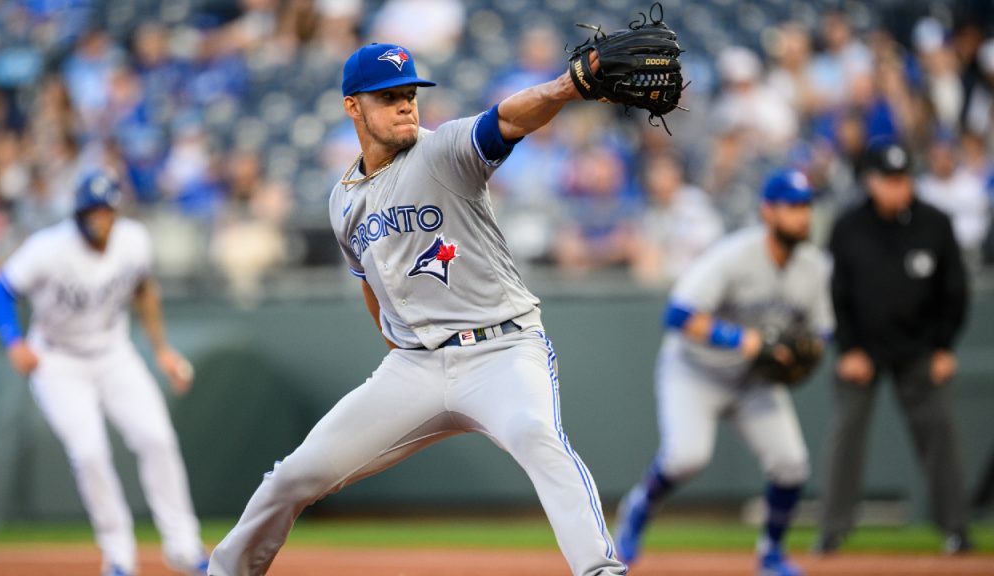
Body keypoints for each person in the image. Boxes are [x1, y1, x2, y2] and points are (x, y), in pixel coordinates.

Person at [208, 43, 627, 575]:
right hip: (416, 364)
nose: (406, 106)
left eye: (409, 94)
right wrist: (399, 361)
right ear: (353, 107)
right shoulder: (343, 200)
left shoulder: (444, 151)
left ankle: (601, 569)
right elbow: (370, 281)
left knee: (535, 433)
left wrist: (567, 87)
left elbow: (507, 119)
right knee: (294, 475)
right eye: (388, 97)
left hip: (502, 349)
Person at [0, 172, 208, 576]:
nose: (100, 218)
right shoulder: (48, 248)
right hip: (58, 362)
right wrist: (13, 341)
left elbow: (144, 290)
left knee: (157, 438)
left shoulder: (134, 240)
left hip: (113, 352)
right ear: (78, 213)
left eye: (106, 210)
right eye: (92, 210)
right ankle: (119, 555)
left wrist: (161, 350)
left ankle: (183, 546)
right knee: (89, 453)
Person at [614, 169, 833, 576]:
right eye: (793, 207)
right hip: (695, 371)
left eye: (806, 207)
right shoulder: (734, 255)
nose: (803, 216)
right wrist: (741, 339)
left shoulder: (815, 267)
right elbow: (677, 314)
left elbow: (822, 332)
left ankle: (771, 554)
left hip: (753, 380)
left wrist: (806, 351)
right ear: (769, 211)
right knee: (686, 458)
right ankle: (639, 507)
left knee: (791, 464)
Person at [817, 138, 973, 554]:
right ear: (870, 181)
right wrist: (847, 348)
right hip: (861, 350)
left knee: (941, 434)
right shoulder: (848, 225)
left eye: (903, 178)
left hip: (921, 349)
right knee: (846, 434)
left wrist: (943, 346)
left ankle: (956, 529)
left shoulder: (935, 224)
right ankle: (832, 530)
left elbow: (954, 291)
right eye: (888, 179)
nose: (896, 187)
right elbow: (834, 294)